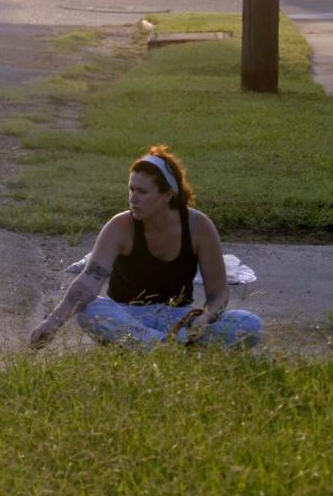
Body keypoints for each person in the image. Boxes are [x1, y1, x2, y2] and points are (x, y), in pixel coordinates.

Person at [28, 145, 262, 349]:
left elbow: (218, 293)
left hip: (179, 318)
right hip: (128, 316)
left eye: (142, 191)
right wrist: (52, 323)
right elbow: (87, 284)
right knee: (90, 310)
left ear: (168, 195)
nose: (133, 198)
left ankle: (158, 347)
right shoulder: (119, 226)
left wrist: (204, 319)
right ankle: (167, 349)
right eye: (131, 189)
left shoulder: (198, 226)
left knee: (249, 324)